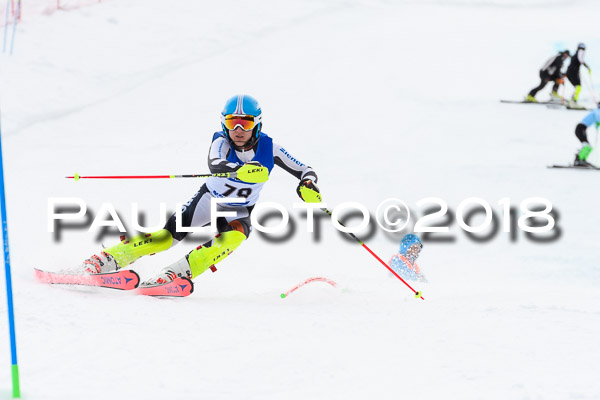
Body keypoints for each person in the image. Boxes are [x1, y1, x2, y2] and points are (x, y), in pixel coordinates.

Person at [79, 94, 322, 286]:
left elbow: (304, 169)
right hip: (207, 201)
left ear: (257, 124)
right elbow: (214, 163)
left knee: (235, 237)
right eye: (231, 122)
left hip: (238, 211)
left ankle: (174, 274)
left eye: (245, 122)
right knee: (166, 238)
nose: (238, 128)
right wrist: (240, 169)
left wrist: (308, 184)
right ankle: (105, 259)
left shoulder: (271, 149)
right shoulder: (221, 142)